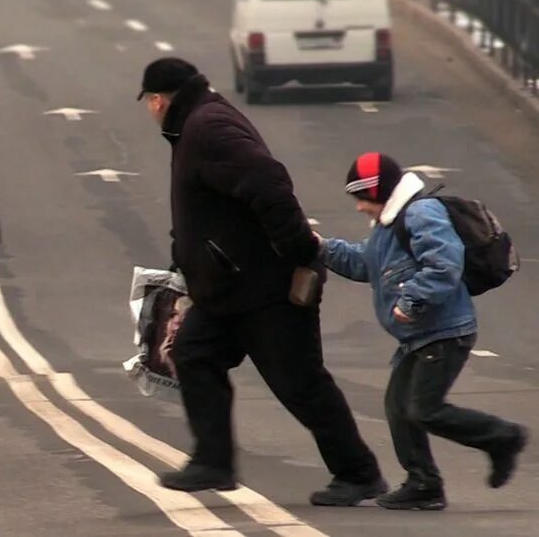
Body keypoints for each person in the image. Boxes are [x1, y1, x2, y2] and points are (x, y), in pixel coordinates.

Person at [138, 57, 385, 505]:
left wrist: (299, 251)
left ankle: (358, 472)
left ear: (158, 100)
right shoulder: (196, 123)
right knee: (193, 354)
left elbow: (268, 180)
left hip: (265, 289)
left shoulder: (207, 127)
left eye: (149, 104)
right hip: (228, 289)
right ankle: (213, 463)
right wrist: (184, 261)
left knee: (300, 384)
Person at [316, 152, 528, 510]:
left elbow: (444, 266)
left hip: (445, 331)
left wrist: (409, 302)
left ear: (379, 191)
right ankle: (423, 484)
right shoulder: (389, 224)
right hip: (420, 336)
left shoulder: (420, 214)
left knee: (424, 409)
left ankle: (502, 438)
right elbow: (363, 262)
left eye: (362, 198)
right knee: (399, 408)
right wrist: (320, 247)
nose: (359, 208)